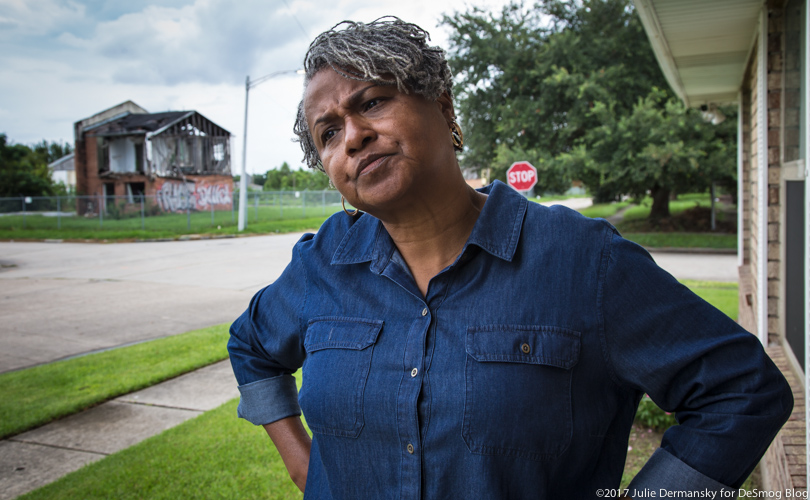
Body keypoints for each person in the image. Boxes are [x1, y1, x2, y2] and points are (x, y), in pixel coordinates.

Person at [227, 17, 793, 499]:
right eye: (328, 133)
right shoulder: (323, 262)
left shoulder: (582, 262)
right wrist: (304, 465)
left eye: (372, 102)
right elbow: (251, 345)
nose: (351, 137)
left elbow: (741, 390)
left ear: (444, 108)